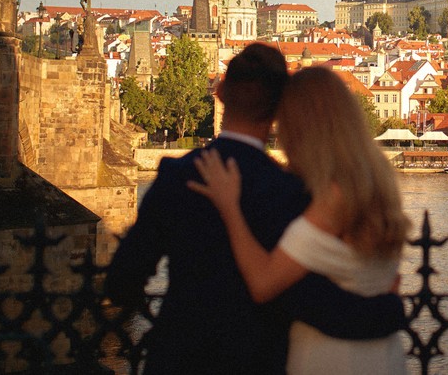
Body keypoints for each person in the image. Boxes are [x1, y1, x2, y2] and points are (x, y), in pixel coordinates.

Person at [105, 44, 405, 375]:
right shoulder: (294, 191)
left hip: (179, 358)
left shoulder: (177, 177)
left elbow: (122, 281)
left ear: (220, 92)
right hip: (260, 360)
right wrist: (389, 309)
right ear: (278, 110)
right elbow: (309, 299)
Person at [188, 66, 411, 374]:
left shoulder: (333, 199)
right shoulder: (380, 183)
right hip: (385, 356)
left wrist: (230, 207)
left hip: (331, 359)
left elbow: (264, 283)